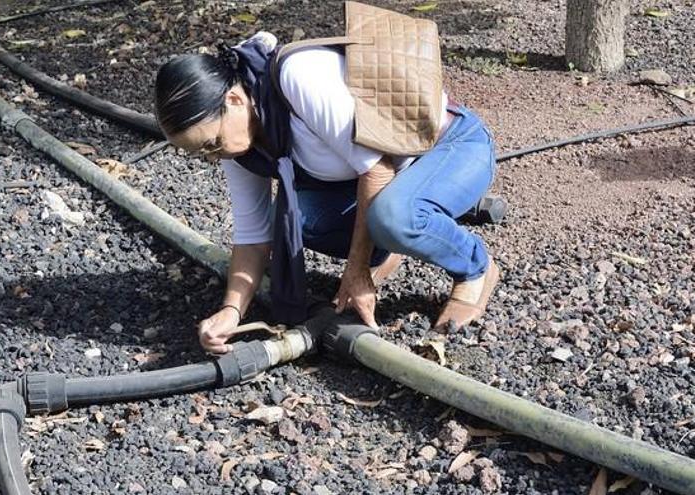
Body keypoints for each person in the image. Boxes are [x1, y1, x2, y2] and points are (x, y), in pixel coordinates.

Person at [153, 32, 500, 354]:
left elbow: (377, 168)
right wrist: (231, 311)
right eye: (203, 153)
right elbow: (253, 235)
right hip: (386, 175)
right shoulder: (237, 143)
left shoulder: (296, 77)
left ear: (233, 99)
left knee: (395, 216)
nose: (214, 157)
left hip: (451, 146)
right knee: (288, 220)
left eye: (212, 145)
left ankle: (474, 267)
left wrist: (357, 271)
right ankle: (393, 240)